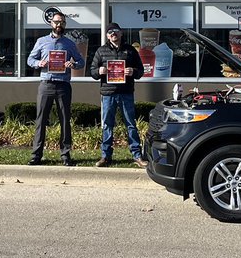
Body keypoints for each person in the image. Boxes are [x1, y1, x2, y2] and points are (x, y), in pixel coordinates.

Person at [26, 10, 84, 165]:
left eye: (62, 22)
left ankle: (65, 154)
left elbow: (81, 61)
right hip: (46, 84)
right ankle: (36, 155)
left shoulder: (69, 43)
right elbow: (30, 59)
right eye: (57, 22)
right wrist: (39, 63)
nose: (60, 25)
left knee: (65, 120)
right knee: (41, 120)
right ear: (51, 23)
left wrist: (73, 64)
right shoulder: (41, 41)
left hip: (63, 85)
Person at [89, 23, 149, 168]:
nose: (113, 34)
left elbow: (141, 71)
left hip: (126, 93)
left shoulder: (130, 51)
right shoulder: (101, 51)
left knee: (131, 125)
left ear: (121, 33)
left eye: (115, 31)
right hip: (108, 94)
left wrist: (133, 72)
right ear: (107, 35)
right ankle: (105, 156)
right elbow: (92, 71)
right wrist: (99, 71)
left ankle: (137, 156)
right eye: (110, 32)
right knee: (107, 125)